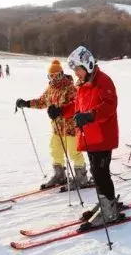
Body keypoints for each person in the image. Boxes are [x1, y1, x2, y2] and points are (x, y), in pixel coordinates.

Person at [47, 46, 120, 228]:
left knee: (101, 173)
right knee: (96, 172)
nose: (76, 74)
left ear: (87, 65)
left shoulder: (103, 81)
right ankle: (104, 202)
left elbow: (110, 104)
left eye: (78, 69)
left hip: (103, 136)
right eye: (75, 70)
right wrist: (61, 111)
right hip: (90, 136)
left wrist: (90, 115)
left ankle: (109, 209)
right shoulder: (82, 84)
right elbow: (76, 106)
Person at [15, 60, 90, 189]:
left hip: (70, 127)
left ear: (62, 74)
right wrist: (26, 103)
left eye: (57, 75)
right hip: (57, 128)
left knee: (74, 152)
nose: (55, 78)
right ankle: (59, 174)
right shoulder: (50, 89)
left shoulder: (70, 87)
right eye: (52, 76)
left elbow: (77, 105)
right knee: (55, 150)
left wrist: (61, 110)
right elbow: (42, 101)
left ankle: (81, 177)